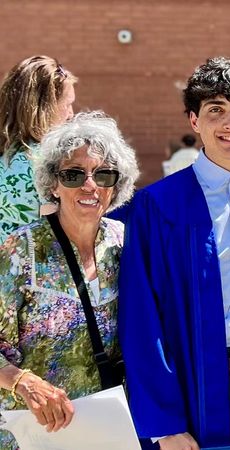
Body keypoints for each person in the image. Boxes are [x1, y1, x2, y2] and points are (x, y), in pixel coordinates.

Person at [118, 57, 230, 449]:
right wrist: (164, 423)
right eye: (216, 110)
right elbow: (140, 318)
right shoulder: (158, 206)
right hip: (186, 383)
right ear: (194, 121)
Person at [0, 111, 139, 450]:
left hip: (108, 430)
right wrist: (22, 382)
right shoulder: (19, 250)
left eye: (103, 175)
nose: (90, 185)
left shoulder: (126, 243)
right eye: (74, 175)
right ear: (53, 184)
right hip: (33, 433)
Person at [0, 55, 77, 242]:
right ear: (45, 107)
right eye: (67, 104)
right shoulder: (47, 160)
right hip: (27, 267)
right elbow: (55, 236)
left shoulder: (6, 155)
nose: (71, 113)